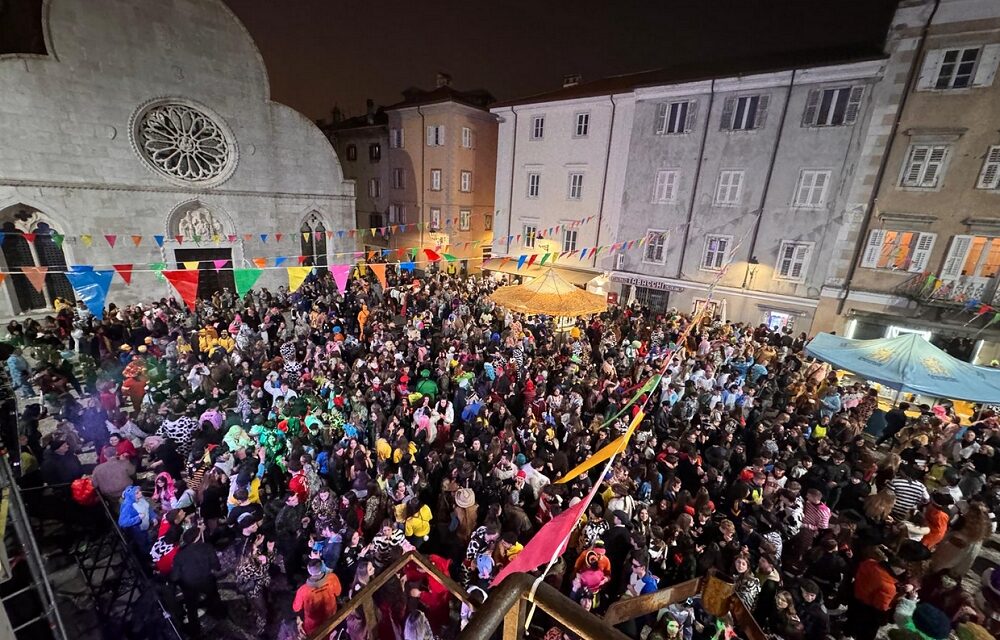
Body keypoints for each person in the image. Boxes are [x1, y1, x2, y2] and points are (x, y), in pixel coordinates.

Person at [170, 526, 223, 636]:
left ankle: (195, 631)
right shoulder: (207, 547)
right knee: (213, 596)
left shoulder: (179, 556)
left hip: (189, 585)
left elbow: (174, 577)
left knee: (191, 608)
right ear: (197, 537)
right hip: (207, 580)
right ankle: (219, 614)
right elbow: (216, 566)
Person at [292, 559, 342, 637]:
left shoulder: (303, 590)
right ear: (322, 567)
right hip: (332, 620)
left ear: (309, 570)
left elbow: (296, 608)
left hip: (313, 629)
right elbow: (338, 592)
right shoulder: (332, 578)